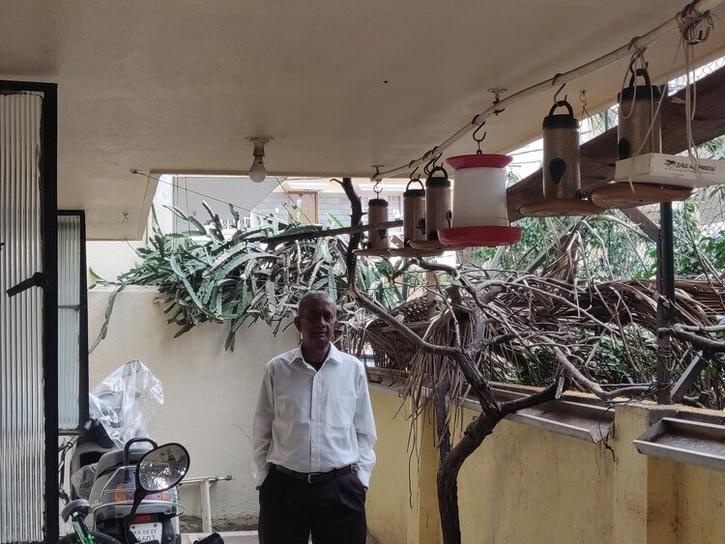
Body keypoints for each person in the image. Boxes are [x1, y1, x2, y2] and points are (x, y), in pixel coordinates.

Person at [252, 291, 377, 544]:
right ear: (300, 323)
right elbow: (261, 430)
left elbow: (364, 431)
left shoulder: (352, 369)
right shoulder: (277, 369)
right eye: (312, 316)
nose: (320, 322)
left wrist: (360, 480)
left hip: (340, 489)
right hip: (284, 489)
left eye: (327, 316)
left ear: (335, 324)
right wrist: (264, 480)